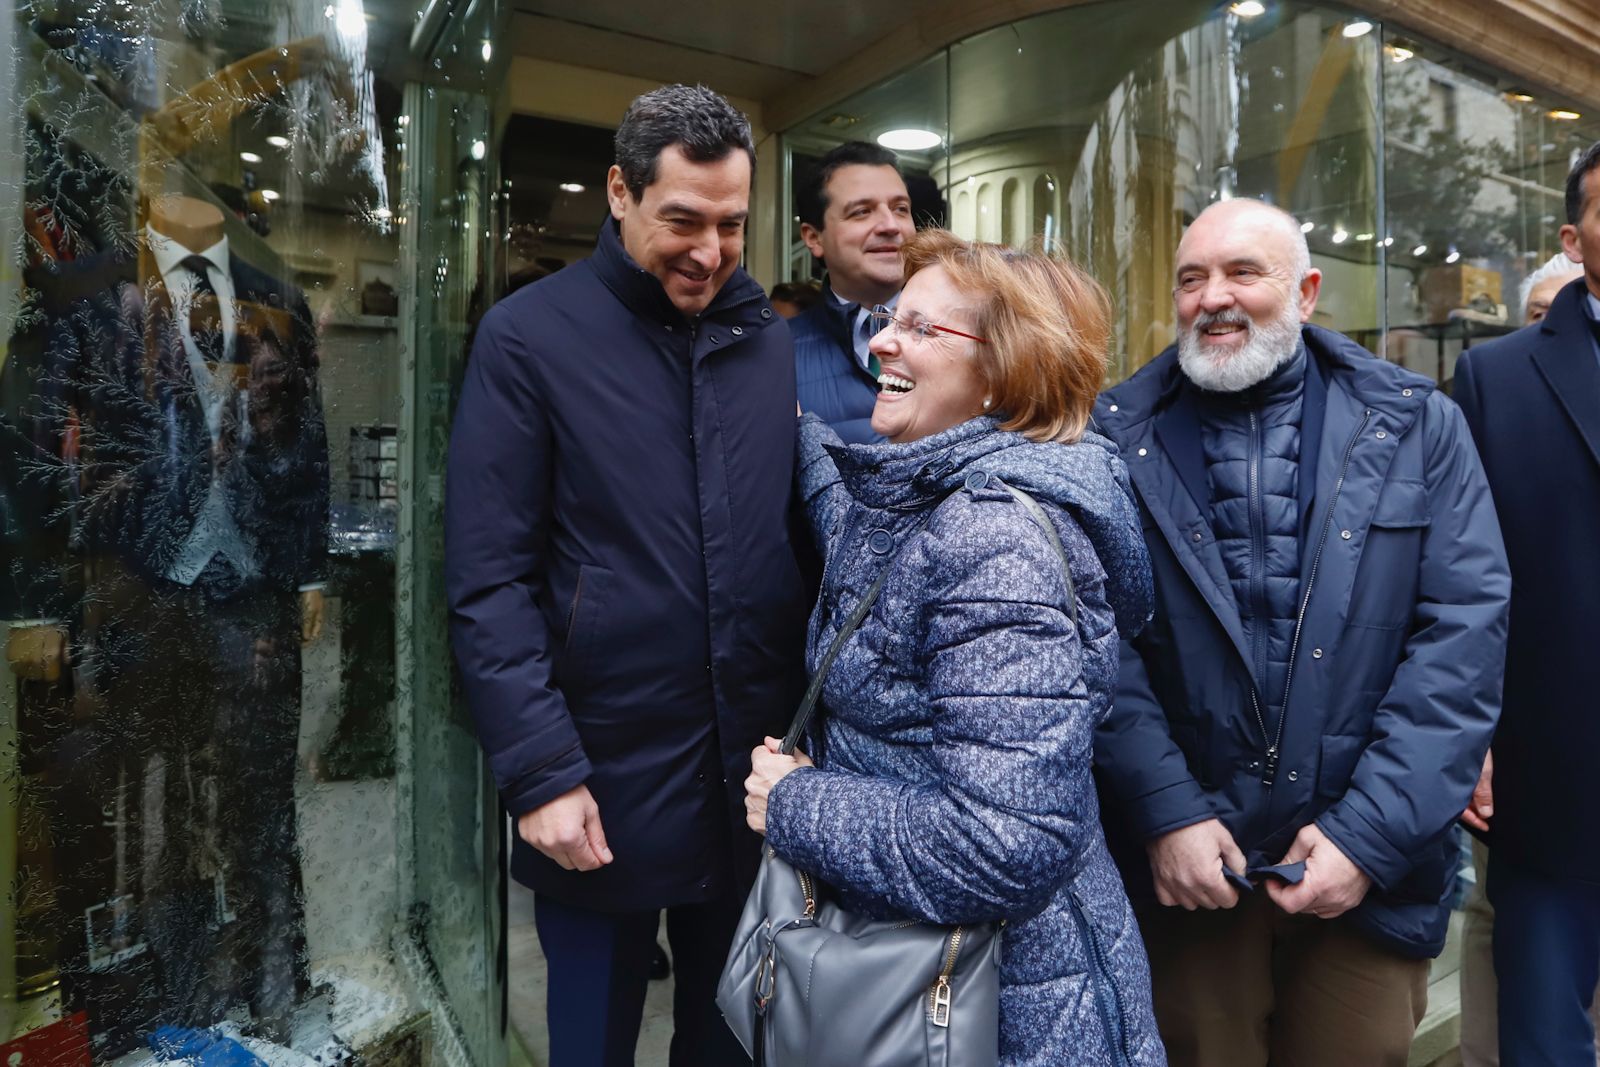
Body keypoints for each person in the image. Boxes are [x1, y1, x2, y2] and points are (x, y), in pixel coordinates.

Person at [1093, 198, 1509, 1067]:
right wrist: (1165, 810)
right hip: (1191, 880)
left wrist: (1368, 833)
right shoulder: (1112, 435)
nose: (1214, 296)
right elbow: (1100, 643)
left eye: (1243, 272)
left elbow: (1461, 639)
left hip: (1368, 875)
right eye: (1192, 277)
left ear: (1308, 290)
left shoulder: (1417, 425)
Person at [444, 84, 806, 1067]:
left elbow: (794, 544)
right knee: (593, 1042)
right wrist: (542, 771)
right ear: (619, 191)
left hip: (749, 779)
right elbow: (487, 579)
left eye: (731, 225)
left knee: (734, 1041)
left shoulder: (768, 343)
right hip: (595, 774)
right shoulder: (528, 338)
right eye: (681, 220)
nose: (708, 250)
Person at [744, 229, 1166, 1066]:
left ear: (1006, 372)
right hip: (951, 991)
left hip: (1010, 1012)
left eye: (923, 329)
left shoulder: (995, 540)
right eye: (891, 319)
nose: (885, 340)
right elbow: (876, 554)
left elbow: (999, 843)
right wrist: (790, 429)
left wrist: (795, 803)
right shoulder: (934, 495)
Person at [1454, 139, 1600, 1067]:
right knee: (1542, 1044)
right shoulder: (1495, 379)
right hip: (1553, 781)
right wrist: (1468, 736)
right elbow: (1458, 580)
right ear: (1574, 237)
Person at [791, 141, 916, 442]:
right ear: (813, 238)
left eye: (901, 209)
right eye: (862, 212)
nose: (890, 225)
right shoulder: (777, 352)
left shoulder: (968, 335)